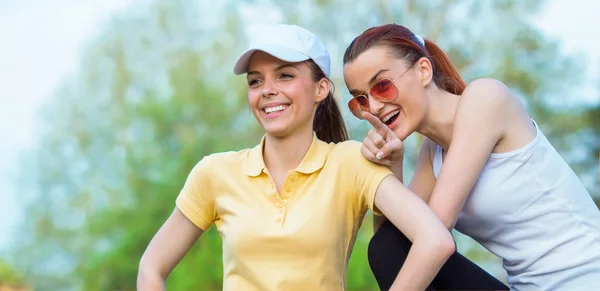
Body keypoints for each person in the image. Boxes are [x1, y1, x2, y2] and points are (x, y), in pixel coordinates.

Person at [136, 24, 455, 291]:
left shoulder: (349, 162)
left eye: (285, 76)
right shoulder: (215, 172)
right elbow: (152, 266)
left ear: (321, 89)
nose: (267, 90)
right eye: (255, 80)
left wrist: (394, 165)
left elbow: (434, 241)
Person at [342, 23, 600, 291]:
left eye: (382, 86)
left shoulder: (485, 98)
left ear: (423, 71)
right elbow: (395, 240)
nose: (373, 107)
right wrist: (391, 164)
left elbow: (433, 238)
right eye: (360, 100)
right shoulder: (433, 153)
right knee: (389, 242)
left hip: (585, 281)